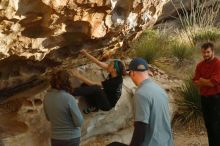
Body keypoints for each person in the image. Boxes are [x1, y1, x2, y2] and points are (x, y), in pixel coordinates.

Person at [107, 57, 174, 146]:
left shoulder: (141, 94)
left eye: (129, 73)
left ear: (133, 73)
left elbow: (141, 127)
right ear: (146, 71)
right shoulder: (160, 90)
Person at [69, 49, 126, 114]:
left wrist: (78, 75)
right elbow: (98, 63)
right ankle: (94, 106)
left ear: (114, 70)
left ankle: (71, 91)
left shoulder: (115, 82)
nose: (108, 64)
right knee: (85, 85)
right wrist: (85, 53)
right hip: (105, 95)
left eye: (110, 64)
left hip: (107, 105)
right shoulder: (115, 73)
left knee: (96, 89)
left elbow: (93, 84)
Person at [43, 70, 84, 146]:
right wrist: (76, 105)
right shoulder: (69, 98)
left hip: (56, 138)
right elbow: (79, 122)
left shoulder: (46, 97)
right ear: (67, 82)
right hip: (71, 138)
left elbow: (48, 118)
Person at [193, 42, 220, 146]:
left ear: (212, 51)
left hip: (216, 98)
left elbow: (213, 83)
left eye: (208, 52)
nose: (206, 55)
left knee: (216, 126)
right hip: (204, 98)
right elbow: (195, 81)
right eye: (204, 52)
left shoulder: (218, 64)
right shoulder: (200, 65)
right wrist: (206, 81)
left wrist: (202, 80)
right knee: (208, 125)